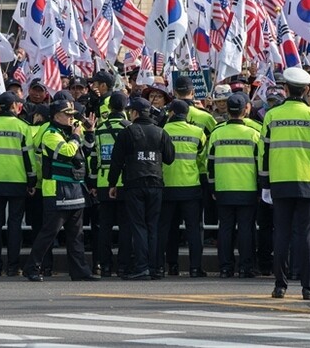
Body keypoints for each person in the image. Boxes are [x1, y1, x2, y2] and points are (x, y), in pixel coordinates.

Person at [260, 67, 310, 300]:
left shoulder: (272, 115)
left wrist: (265, 183)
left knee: (281, 233)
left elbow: (263, 152)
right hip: (308, 181)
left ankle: (279, 286)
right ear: (305, 90)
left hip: (280, 181)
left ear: (285, 89)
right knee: (305, 235)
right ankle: (308, 287)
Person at [25, 100, 99, 282]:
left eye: (73, 115)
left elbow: (86, 153)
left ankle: (80, 271)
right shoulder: (50, 134)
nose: (71, 118)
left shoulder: (69, 133)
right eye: (67, 114)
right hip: (57, 191)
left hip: (75, 191)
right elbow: (67, 152)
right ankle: (31, 268)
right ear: (56, 115)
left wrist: (89, 133)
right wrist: (75, 136)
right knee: (48, 233)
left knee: (76, 236)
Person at [107, 97, 174, 280]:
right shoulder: (161, 132)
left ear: (135, 113)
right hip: (156, 184)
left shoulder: (127, 133)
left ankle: (141, 267)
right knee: (153, 227)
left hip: (134, 184)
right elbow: (169, 158)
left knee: (138, 226)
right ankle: (155, 267)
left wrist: (112, 184)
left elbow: (117, 162)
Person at [0, 91, 36, 277]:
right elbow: (29, 157)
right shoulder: (22, 127)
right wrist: (31, 180)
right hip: (17, 181)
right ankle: (13, 266)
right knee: (14, 224)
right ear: (13, 106)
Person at [207, 93, 260, 279]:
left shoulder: (217, 133)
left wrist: (213, 188)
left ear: (227, 110)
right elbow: (259, 164)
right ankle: (246, 267)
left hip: (223, 188)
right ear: (245, 110)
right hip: (248, 189)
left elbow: (210, 165)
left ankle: (225, 268)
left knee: (225, 229)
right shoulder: (254, 134)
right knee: (246, 229)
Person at [159, 99, 208, 278]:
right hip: (191, 186)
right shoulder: (198, 132)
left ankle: (165, 266)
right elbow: (202, 161)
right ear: (187, 114)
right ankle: (195, 268)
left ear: (171, 113)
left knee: (165, 229)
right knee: (194, 230)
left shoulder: (162, 131)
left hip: (167, 186)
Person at [90, 91, 132, 277]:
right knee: (125, 225)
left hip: (103, 180)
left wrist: (92, 182)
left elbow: (93, 157)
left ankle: (104, 265)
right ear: (126, 107)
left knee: (104, 226)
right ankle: (123, 265)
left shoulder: (99, 128)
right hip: (125, 181)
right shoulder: (130, 128)